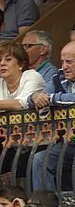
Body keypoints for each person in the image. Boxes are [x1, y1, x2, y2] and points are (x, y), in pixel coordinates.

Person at [29, 41, 75, 191]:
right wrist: (35, 97)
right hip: (69, 141)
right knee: (40, 160)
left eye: (69, 62)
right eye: (62, 61)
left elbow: (55, 97)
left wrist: (52, 98)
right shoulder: (58, 77)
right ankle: (45, 201)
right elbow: (41, 97)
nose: (64, 66)